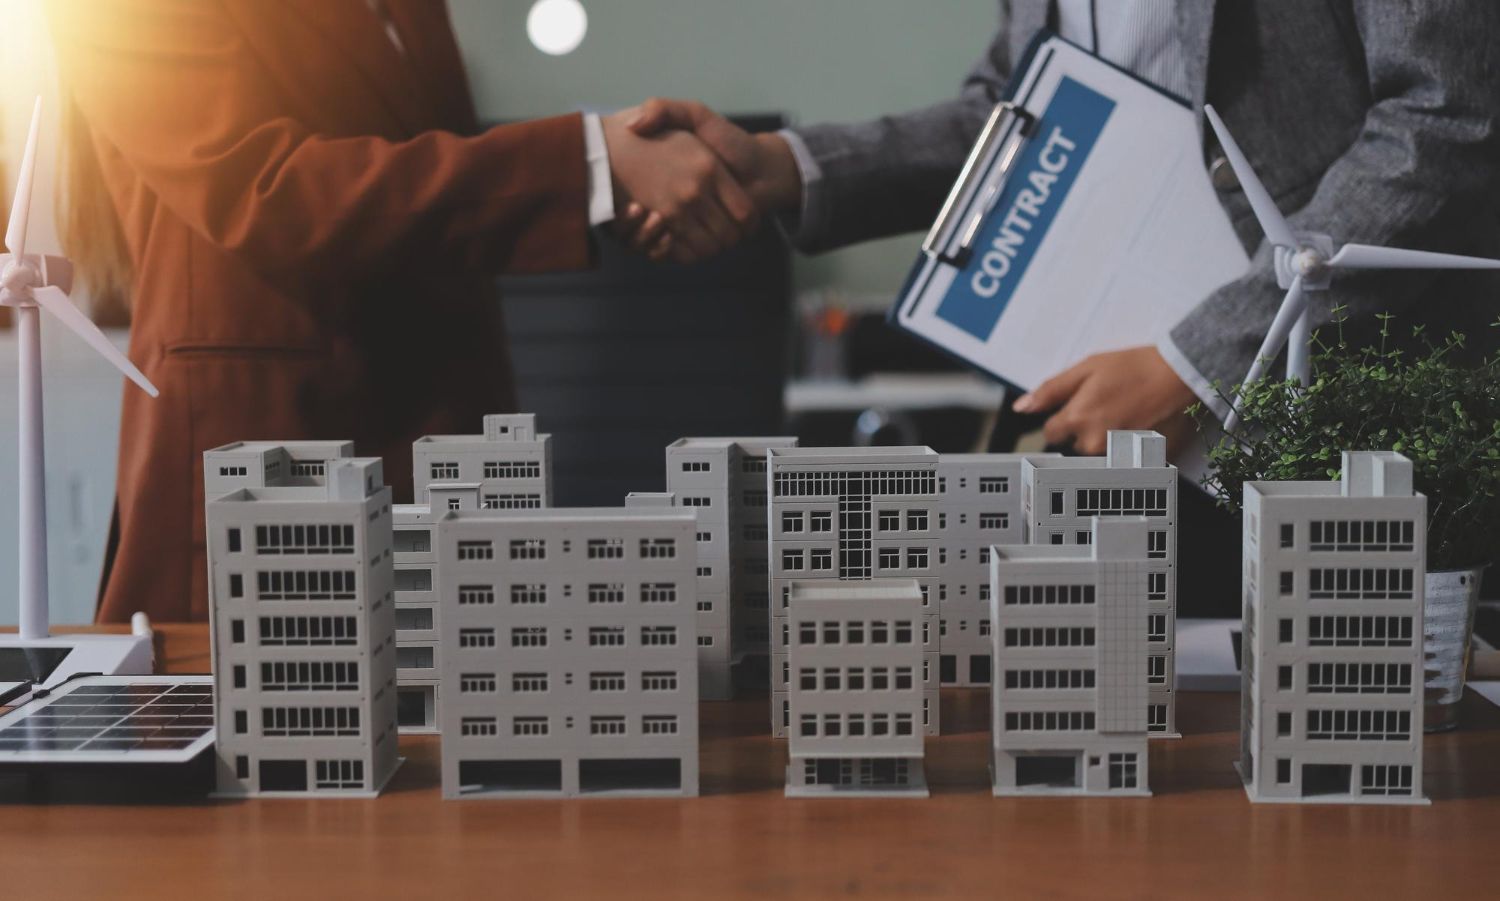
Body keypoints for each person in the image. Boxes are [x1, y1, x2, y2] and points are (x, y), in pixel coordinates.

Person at [619, 0, 1500, 615]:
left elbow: (1449, 117)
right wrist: (788, 165)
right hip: (1114, 433)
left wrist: (1199, 365)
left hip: (1342, 433)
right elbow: (1017, 119)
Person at [47, 0, 756, 623]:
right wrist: (590, 165)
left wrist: (605, 175)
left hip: (439, 440)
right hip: (274, 446)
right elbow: (265, 189)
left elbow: (428, 186)